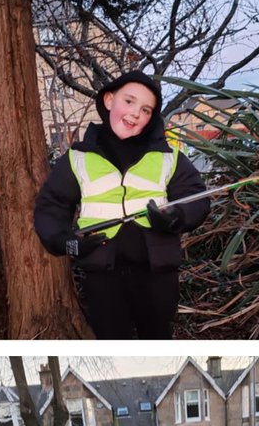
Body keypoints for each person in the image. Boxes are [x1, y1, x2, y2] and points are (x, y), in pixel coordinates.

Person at [34, 71, 209, 339]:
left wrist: (175, 217)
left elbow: (196, 198)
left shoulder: (168, 157)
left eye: (146, 109)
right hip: (102, 274)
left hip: (157, 273)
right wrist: (69, 243)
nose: (136, 113)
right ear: (109, 100)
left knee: (158, 340)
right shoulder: (78, 158)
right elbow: (51, 208)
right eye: (129, 101)